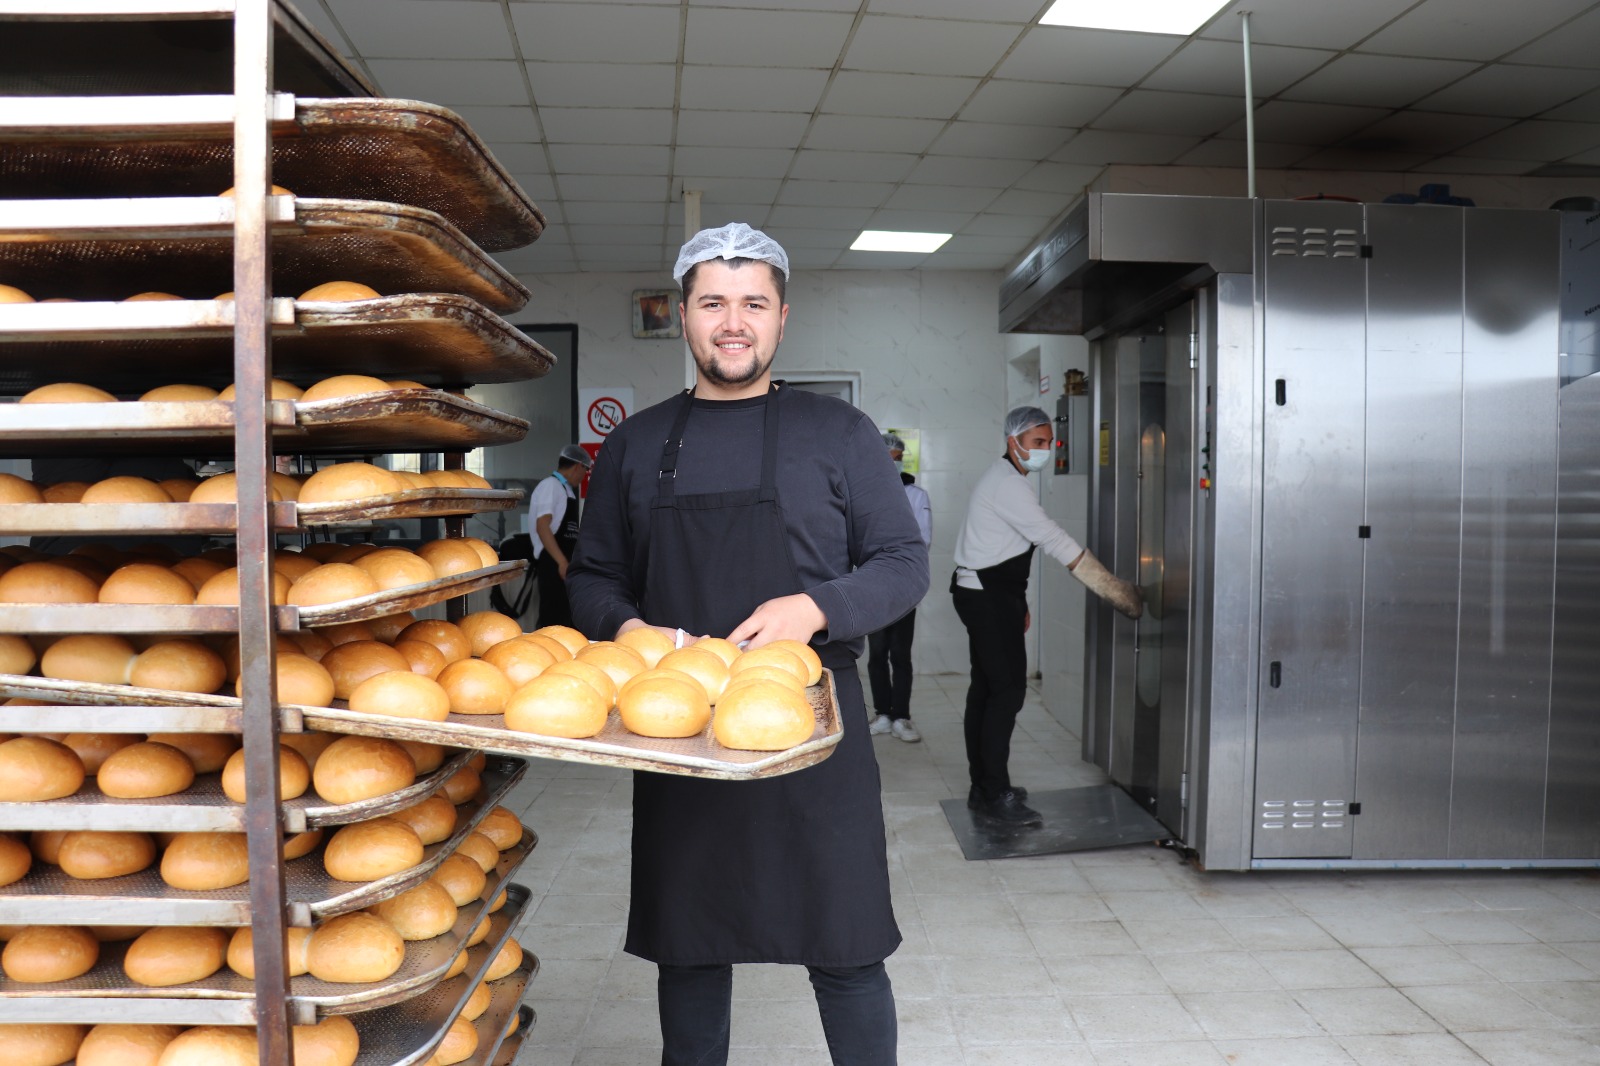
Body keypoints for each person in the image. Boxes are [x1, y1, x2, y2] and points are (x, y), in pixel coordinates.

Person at [567, 222, 927, 1066]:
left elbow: (903, 563)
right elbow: (591, 577)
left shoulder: (839, 432)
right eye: (714, 302)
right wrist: (625, 627)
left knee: (847, 948)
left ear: (782, 317)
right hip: (679, 732)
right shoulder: (634, 443)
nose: (734, 321)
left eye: (753, 303)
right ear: (683, 317)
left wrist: (817, 607)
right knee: (689, 951)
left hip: (814, 728)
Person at [951, 405, 1143, 827]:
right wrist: (1113, 588)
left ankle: (983, 787)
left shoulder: (1007, 478)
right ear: (1012, 441)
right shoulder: (1008, 485)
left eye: (1049, 442)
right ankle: (994, 793)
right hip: (985, 597)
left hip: (986, 594)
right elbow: (1050, 538)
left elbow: (1005, 550)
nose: (1045, 449)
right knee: (1006, 692)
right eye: (1037, 442)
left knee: (987, 690)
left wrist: (1018, 607)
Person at [867, 431, 931, 743]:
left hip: (904, 586)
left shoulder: (917, 496)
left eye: (896, 459)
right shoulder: (865, 493)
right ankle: (882, 713)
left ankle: (902, 717)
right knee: (876, 653)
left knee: (900, 654)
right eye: (886, 458)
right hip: (873, 586)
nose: (892, 464)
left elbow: (923, 540)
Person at [527, 443, 592, 628]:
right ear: (578, 465)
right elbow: (543, 527)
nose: (584, 476)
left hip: (563, 565)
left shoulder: (566, 490)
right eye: (585, 470)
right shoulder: (550, 486)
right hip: (552, 564)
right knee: (553, 620)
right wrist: (562, 562)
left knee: (566, 620)